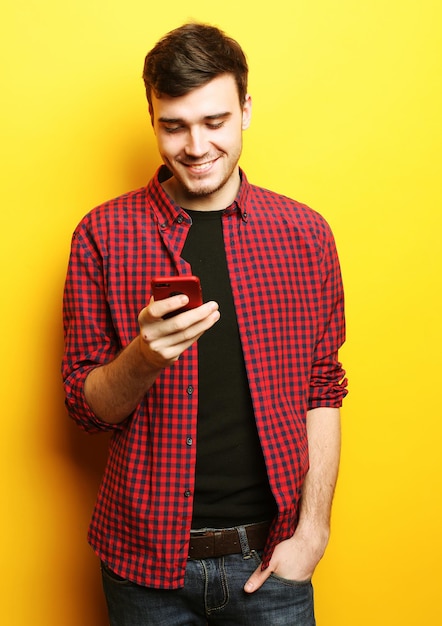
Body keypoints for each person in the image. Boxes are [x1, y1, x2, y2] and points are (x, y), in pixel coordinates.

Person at [62, 21, 347, 626]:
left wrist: (313, 534)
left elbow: (323, 388)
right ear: (153, 119)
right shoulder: (102, 235)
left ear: (245, 109)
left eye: (214, 121)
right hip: (142, 567)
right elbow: (84, 410)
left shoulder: (305, 234)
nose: (195, 146)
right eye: (175, 125)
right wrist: (143, 357)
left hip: (272, 561)